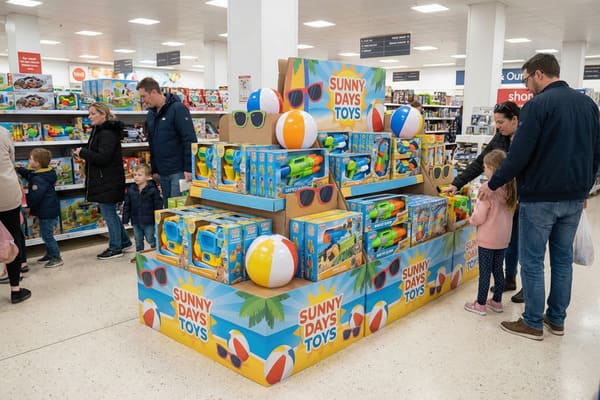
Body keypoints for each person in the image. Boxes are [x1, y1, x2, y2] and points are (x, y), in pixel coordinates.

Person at [479, 53, 600, 340]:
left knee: (532, 261)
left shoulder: (536, 107)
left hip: (541, 197)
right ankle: (556, 319)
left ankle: (532, 321)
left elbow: (518, 155)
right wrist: (587, 188)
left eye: (526, 80)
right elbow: (596, 152)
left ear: (539, 74)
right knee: (561, 260)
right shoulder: (588, 105)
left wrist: (494, 182)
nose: (525, 86)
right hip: (573, 198)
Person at [443, 101, 522, 301]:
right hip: (505, 196)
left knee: (518, 242)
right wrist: (456, 183)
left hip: (521, 196)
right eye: (495, 122)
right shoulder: (500, 136)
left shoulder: (527, 136)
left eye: (501, 122)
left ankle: (515, 280)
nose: (497, 126)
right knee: (508, 241)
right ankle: (507, 280)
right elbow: (480, 162)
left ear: (515, 119)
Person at [73, 102, 133, 260]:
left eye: (93, 113)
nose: (89, 116)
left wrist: (84, 153)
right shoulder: (100, 130)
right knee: (110, 212)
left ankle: (115, 248)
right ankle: (124, 242)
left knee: (109, 214)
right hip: (104, 179)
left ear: (103, 115)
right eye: (89, 113)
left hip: (107, 180)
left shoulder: (106, 133)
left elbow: (103, 157)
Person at [464, 150, 517, 316]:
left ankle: (480, 304)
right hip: (503, 239)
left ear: (493, 169)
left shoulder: (487, 191)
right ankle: (497, 301)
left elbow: (480, 216)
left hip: (487, 239)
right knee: (498, 270)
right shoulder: (511, 189)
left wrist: (470, 220)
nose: (484, 170)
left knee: (485, 273)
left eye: (485, 167)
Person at [136, 77, 197, 207]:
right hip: (162, 173)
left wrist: (189, 167)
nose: (143, 101)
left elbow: (189, 139)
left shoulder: (177, 109)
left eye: (144, 96)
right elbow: (152, 144)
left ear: (153, 92)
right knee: (167, 210)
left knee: (178, 209)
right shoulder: (151, 115)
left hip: (179, 171)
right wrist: (155, 170)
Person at [16, 148, 62, 268]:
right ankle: (49, 254)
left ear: (37, 163)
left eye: (30, 159)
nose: (28, 160)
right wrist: (19, 169)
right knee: (45, 234)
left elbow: (35, 197)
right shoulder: (44, 173)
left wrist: (28, 207)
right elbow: (29, 174)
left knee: (47, 236)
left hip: (47, 211)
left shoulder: (39, 179)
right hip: (48, 210)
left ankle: (56, 257)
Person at [0, 125, 31, 303]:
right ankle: (15, 289)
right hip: (6, 192)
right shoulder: (3, 133)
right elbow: (10, 160)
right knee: (13, 237)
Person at [122, 163, 163, 260]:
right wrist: (125, 219)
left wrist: (159, 217)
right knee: (138, 239)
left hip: (149, 221)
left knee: (150, 238)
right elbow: (127, 205)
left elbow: (158, 205)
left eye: (139, 175)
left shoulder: (152, 190)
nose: (136, 177)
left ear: (148, 177)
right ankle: (139, 256)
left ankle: (156, 253)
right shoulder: (131, 190)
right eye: (135, 175)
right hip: (136, 221)